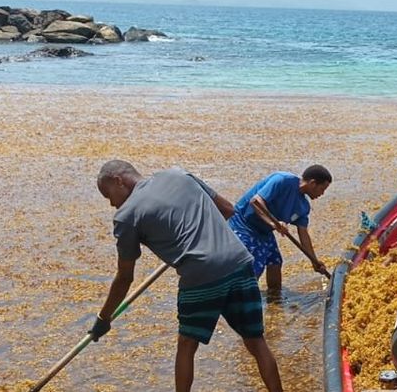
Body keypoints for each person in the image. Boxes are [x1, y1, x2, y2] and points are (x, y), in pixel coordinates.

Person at [91, 160, 282, 392]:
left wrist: (104, 318)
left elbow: (124, 278)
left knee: (187, 346)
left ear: (118, 180)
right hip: (239, 261)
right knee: (256, 342)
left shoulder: (126, 216)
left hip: (200, 273)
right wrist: (201, 233)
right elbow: (229, 210)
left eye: (107, 195)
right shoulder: (179, 175)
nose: (111, 204)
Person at [229, 166, 332, 293]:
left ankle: (275, 299)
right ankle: (242, 296)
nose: (322, 194)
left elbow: (303, 235)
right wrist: (274, 224)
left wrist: (314, 261)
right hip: (243, 223)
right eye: (322, 189)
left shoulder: (303, 207)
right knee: (254, 264)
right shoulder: (282, 180)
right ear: (312, 183)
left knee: (275, 262)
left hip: (265, 230)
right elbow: (256, 202)